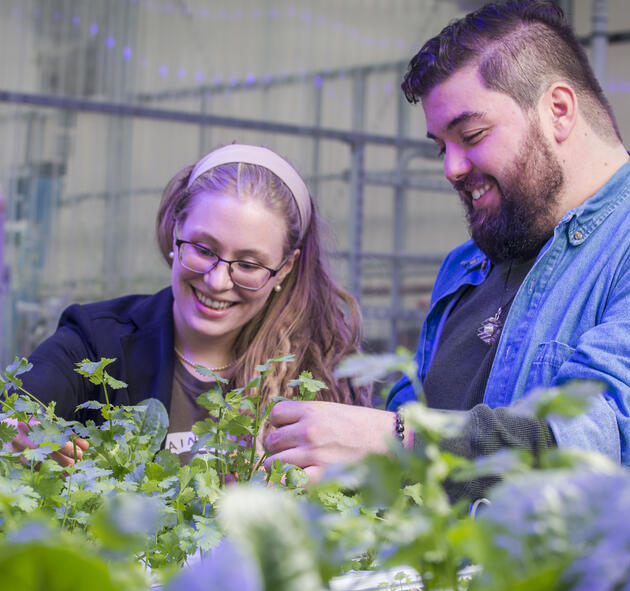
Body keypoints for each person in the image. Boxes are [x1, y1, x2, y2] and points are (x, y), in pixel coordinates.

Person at [264, 0, 630, 497]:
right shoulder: (465, 266)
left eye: (472, 134)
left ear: (559, 110)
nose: (451, 168)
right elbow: (419, 416)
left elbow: (598, 440)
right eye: (442, 147)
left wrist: (395, 441)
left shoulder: (627, 245)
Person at [13, 144, 369, 465]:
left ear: (285, 267)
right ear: (176, 229)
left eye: (248, 265)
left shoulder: (318, 374)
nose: (217, 281)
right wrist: (14, 425)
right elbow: (17, 406)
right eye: (203, 250)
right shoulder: (96, 340)